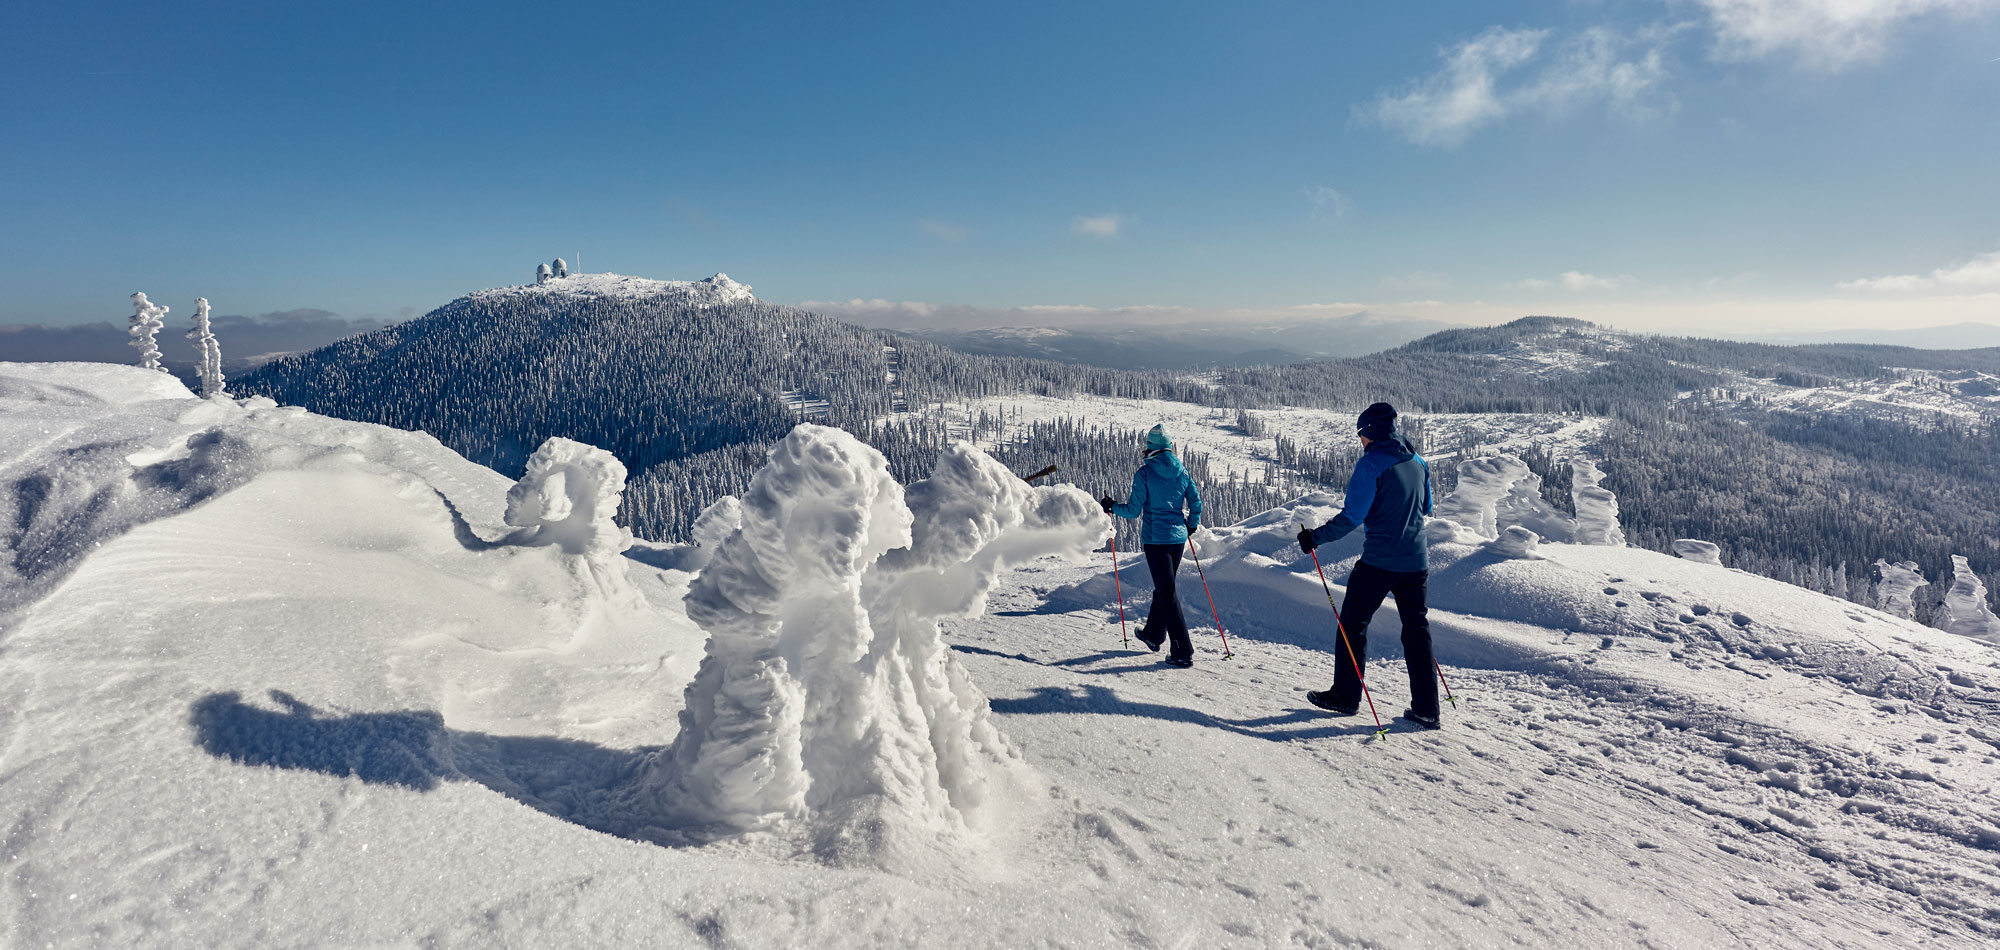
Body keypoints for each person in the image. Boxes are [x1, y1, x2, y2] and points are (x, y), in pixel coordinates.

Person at [1295, 402, 1442, 729]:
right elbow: (1426, 506)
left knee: (1353, 623)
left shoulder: (1371, 464)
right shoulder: (1417, 460)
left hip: (1379, 561)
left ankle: (1346, 697)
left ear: (1371, 432)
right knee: (1417, 630)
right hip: (1417, 562)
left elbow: (1352, 517)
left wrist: (1315, 538)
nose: (1360, 439)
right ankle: (1427, 709)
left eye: (1361, 433)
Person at [1101, 424, 1204, 668]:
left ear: (1150, 447)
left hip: (1156, 541)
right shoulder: (1182, 471)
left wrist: (1112, 506)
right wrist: (1191, 525)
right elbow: (1196, 504)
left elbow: (1133, 511)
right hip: (1177, 541)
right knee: (1165, 588)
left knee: (1167, 592)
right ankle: (1154, 634)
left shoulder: (1145, 473)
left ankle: (1182, 651)